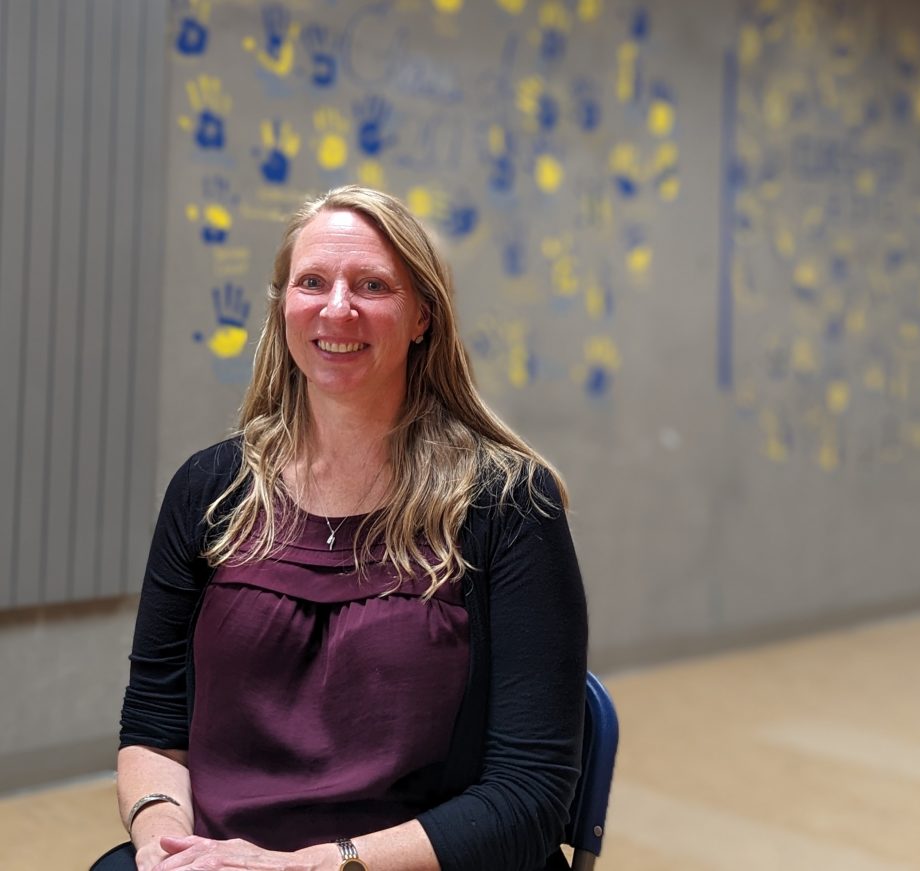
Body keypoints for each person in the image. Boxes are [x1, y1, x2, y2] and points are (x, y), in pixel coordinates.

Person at [91, 185, 588, 871]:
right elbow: (154, 727)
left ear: (422, 317)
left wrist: (313, 864)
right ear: (284, 305)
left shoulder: (507, 505)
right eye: (313, 282)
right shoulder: (210, 490)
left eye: (373, 285)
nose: (337, 308)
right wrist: (168, 844)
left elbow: (529, 798)